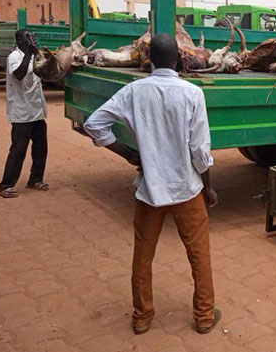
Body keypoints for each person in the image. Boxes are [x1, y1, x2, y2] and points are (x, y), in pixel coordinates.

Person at [83, 33, 220, 335]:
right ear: (180, 59)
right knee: (199, 255)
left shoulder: (133, 91)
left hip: (149, 190)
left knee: (143, 257)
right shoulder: (191, 93)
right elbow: (200, 151)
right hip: (187, 188)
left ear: (149, 60)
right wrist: (207, 186)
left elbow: (93, 124)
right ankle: (205, 316)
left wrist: (129, 153)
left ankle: (142, 317)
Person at [0, 29, 49, 198]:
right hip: (21, 111)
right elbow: (19, 74)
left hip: (37, 111)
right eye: (28, 38)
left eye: (34, 37)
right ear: (20, 41)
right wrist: (29, 53)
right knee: (19, 149)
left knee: (41, 147)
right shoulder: (15, 57)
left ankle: (35, 180)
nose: (32, 40)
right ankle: (6, 185)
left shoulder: (36, 56)